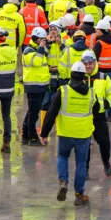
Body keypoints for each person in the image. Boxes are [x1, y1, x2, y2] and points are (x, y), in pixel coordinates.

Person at [39, 61, 95, 206]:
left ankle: (63, 181)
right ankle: (79, 194)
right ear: (84, 76)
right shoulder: (90, 92)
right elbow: (98, 109)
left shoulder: (63, 91)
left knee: (63, 156)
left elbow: (51, 113)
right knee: (81, 163)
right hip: (83, 134)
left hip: (65, 133)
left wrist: (44, 133)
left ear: (71, 75)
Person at [81, 50, 111, 176]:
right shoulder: (78, 78)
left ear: (95, 63)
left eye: (90, 63)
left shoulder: (103, 77)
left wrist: (106, 104)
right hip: (83, 117)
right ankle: (85, 169)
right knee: (85, 145)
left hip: (99, 116)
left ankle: (106, 162)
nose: (88, 66)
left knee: (105, 142)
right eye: (85, 64)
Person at [21, 28, 50, 146]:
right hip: (34, 86)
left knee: (31, 112)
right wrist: (41, 47)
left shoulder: (36, 49)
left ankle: (25, 136)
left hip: (39, 86)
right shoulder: (28, 51)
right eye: (42, 39)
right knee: (33, 114)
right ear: (37, 39)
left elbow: (45, 55)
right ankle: (33, 138)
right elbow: (37, 62)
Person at [90, 18, 111, 121]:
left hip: (101, 72)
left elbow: (93, 58)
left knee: (101, 94)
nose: (96, 31)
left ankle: (103, 114)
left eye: (97, 30)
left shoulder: (99, 43)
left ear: (102, 30)